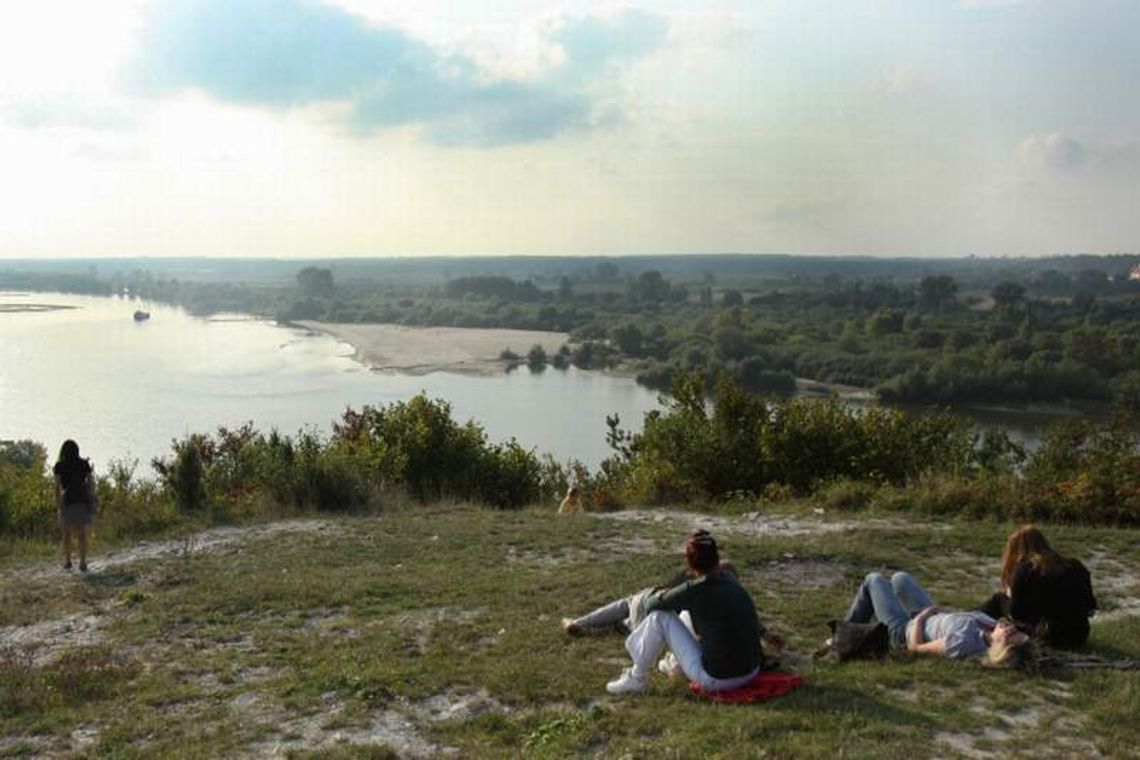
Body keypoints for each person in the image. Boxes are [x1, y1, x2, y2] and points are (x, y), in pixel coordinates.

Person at [605, 531, 762, 695]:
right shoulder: (730, 580)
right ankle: (674, 664)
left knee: (660, 618)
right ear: (716, 558)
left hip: (718, 679)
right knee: (685, 616)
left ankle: (637, 678)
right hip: (751, 670)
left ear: (689, 564)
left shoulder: (695, 588)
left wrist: (664, 592)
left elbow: (652, 605)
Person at [843, 570, 1033, 668]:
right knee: (900, 578)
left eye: (1009, 635)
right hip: (930, 617)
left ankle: (843, 637)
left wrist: (919, 620)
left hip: (904, 632)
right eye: (1014, 629)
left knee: (874, 580)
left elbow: (915, 649)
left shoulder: (964, 643)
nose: (1009, 628)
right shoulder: (990, 625)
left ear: (998, 648)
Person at [979, 525, 1096, 648]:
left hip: (1046, 636)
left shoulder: (1025, 569)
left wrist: (1010, 593)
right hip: (1079, 636)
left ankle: (974, 627)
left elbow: (1016, 613)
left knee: (998, 600)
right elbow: (1090, 607)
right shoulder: (1076, 566)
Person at [53, 439, 95, 572]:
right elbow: (91, 483)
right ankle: (83, 562)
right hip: (82, 500)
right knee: (82, 533)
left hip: (68, 501)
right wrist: (90, 497)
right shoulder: (84, 464)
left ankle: (68, 561)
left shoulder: (59, 465)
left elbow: (57, 486)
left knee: (66, 534)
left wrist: (58, 502)